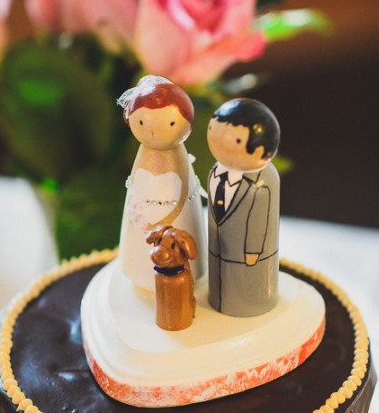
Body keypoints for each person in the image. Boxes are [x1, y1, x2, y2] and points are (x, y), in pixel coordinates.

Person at [118, 75, 206, 291]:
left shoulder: (179, 159)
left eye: (171, 123)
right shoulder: (143, 157)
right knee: (137, 244)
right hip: (144, 236)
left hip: (175, 234)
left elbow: (184, 191)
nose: (154, 131)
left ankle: (190, 270)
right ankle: (137, 268)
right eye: (142, 122)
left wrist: (166, 219)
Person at [207, 97, 281, 316]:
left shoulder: (262, 182)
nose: (222, 141)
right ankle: (220, 302)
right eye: (214, 130)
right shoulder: (215, 171)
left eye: (236, 140)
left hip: (248, 260)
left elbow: (259, 220)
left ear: (261, 150)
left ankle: (250, 307)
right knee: (221, 290)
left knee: (247, 296)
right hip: (218, 250)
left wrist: (252, 252)